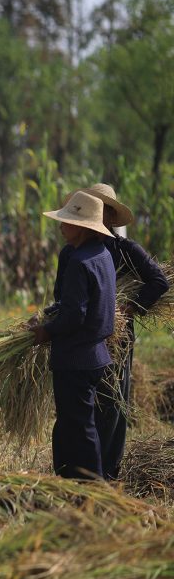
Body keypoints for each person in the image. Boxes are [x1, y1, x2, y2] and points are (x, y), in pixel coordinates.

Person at [81, 184, 169, 480]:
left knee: (114, 400)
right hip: (83, 336)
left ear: (108, 214)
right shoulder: (75, 250)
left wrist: (130, 309)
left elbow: (158, 281)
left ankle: (109, 472)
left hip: (117, 337)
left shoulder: (124, 250)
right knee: (87, 400)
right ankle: (86, 468)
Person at [31, 190, 116, 480]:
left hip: (76, 358)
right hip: (94, 355)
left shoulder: (80, 262)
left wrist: (45, 331)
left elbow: (74, 316)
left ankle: (93, 489)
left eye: (66, 221)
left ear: (82, 227)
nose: (61, 226)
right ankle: (69, 482)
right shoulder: (101, 255)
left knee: (80, 426)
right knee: (73, 423)